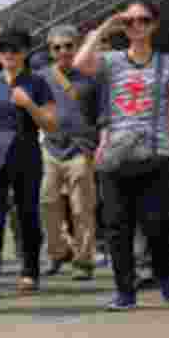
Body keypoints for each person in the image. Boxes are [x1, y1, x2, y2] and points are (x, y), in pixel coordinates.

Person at [74, 1, 169, 311]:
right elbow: (80, 63)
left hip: (156, 150)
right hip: (115, 153)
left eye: (144, 20)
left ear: (154, 25)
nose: (137, 26)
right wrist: (104, 27)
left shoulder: (168, 64)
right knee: (116, 225)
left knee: (157, 224)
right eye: (130, 22)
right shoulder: (111, 61)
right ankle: (125, 291)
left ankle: (164, 273)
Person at [0, 29, 57, 298]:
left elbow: (51, 124)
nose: (8, 53)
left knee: (27, 214)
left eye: (15, 49)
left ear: (25, 52)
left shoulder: (37, 83)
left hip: (26, 152)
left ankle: (30, 270)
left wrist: (29, 104)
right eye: (4, 48)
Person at [37, 25, 100, 280]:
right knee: (47, 202)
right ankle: (58, 252)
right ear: (51, 51)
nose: (63, 51)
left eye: (68, 45)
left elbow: (102, 112)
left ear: (77, 46)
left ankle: (83, 262)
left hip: (80, 150)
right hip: (50, 148)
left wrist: (95, 144)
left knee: (82, 208)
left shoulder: (90, 76)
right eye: (57, 47)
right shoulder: (40, 77)